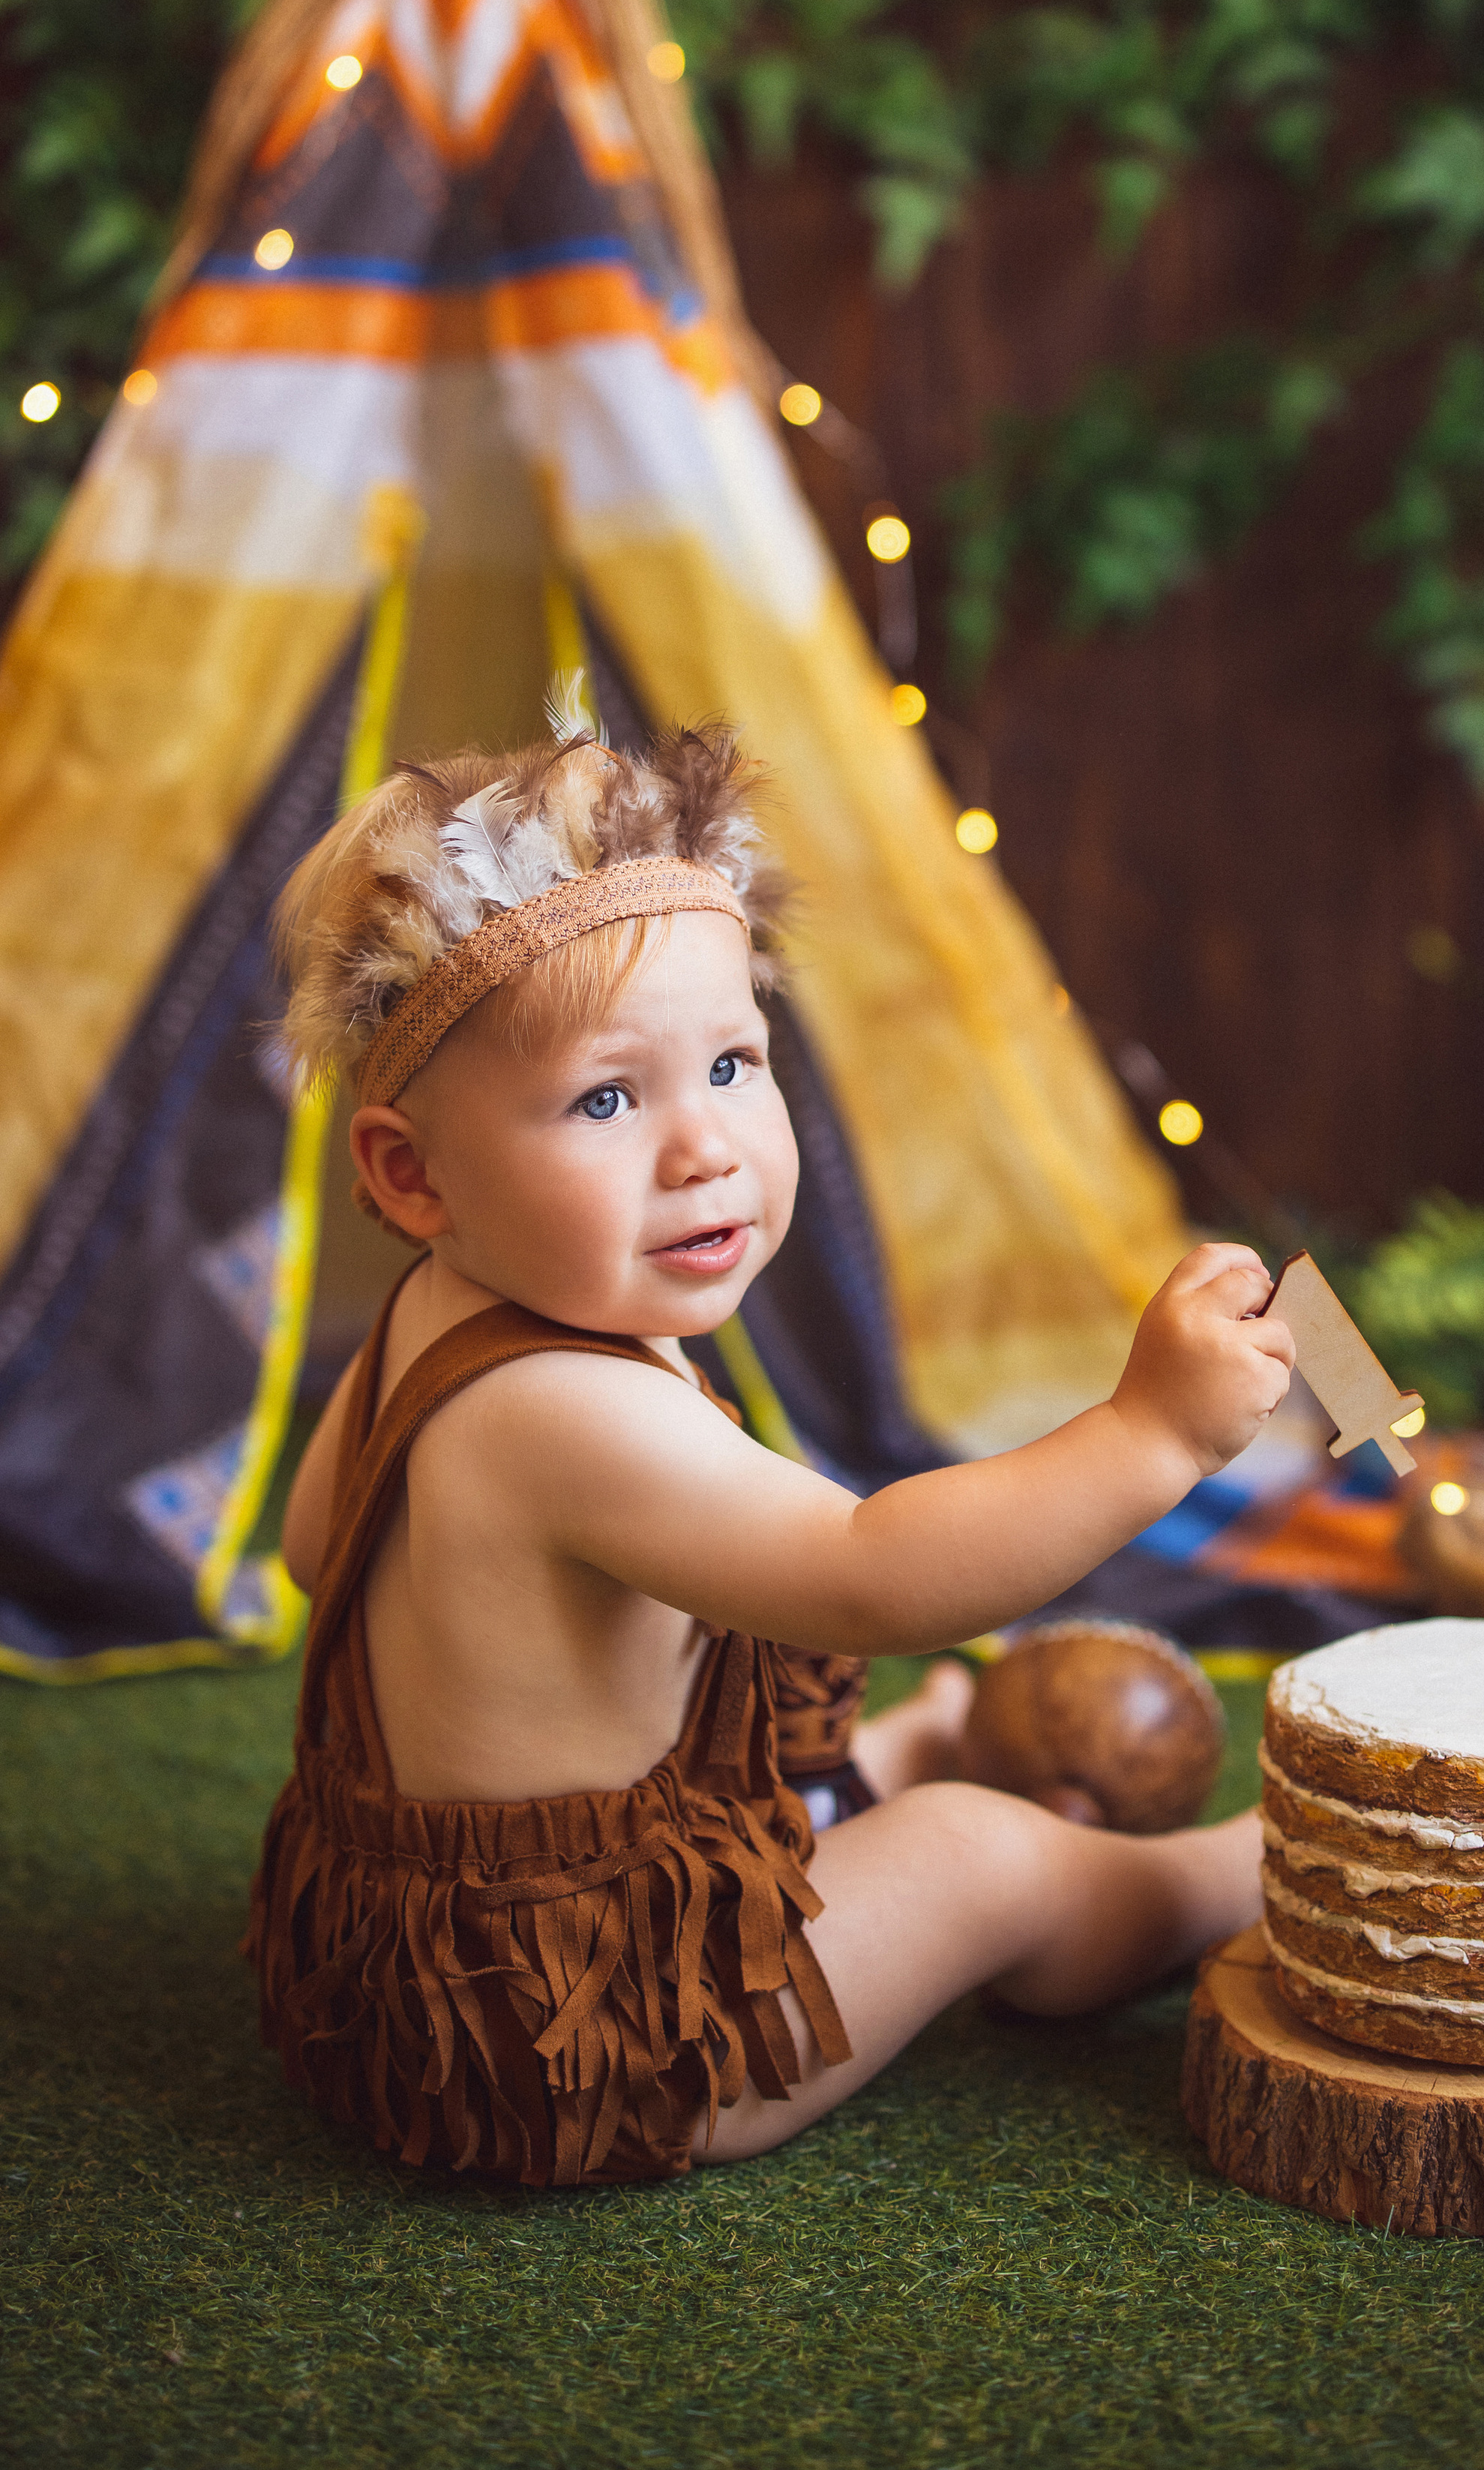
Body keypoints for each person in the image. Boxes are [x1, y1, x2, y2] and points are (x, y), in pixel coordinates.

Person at [248, 710, 1294, 2187]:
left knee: (741, 1756)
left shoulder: (428, 1314)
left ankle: (876, 1759)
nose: (704, 1147)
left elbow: (312, 1545)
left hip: (395, 1985)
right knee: (975, 1852)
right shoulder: (566, 1407)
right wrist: (1148, 1432)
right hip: (585, 2042)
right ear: (411, 1172)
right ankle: (1201, 1884)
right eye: (608, 1096)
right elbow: (863, 1574)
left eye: (733, 1062)